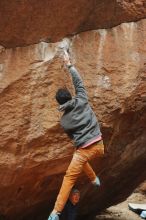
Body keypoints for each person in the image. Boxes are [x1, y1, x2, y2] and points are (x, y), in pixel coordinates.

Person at [48, 51, 104, 220]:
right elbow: (78, 82)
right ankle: (94, 179)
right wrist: (69, 63)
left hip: (84, 150)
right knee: (78, 157)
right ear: (70, 96)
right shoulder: (81, 99)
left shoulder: (64, 121)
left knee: (69, 178)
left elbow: (73, 139)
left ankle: (56, 212)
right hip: (100, 145)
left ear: (60, 104)